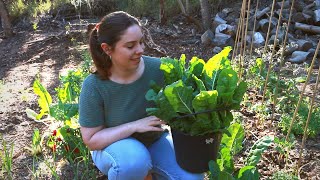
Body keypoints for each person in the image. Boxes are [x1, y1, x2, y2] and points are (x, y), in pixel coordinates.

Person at [79, 11, 204, 180]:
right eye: (130, 46)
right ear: (107, 49)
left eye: (141, 42)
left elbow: (186, 104)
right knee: (133, 163)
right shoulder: (94, 85)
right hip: (112, 148)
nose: (140, 50)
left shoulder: (160, 69)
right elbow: (91, 140)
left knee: (192, 177)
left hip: (154, 141)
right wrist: (134, 125)